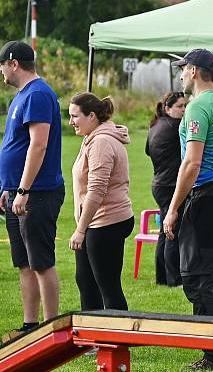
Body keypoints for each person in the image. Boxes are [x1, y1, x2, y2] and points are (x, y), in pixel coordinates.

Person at [163, 48, 213, 371]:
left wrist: (173, 207)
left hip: (206, 196)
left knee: (196, 278)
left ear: (194, 72)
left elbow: (192, 163)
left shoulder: (196, 108)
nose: (180, 74)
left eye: (183, 69)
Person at [0, 41, 64, 333]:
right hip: (18, 192)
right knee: (24, 263)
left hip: (37, 193)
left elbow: (38, 145)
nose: (1, 71)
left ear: (13, 63)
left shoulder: (37, 94)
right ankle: (31, 326)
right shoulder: (22, 95)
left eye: (1, 65)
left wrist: (23, 190)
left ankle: (51, 329)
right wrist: (10, 187)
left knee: (41, 262)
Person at [68, 93, 135, 310]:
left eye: (75, 116)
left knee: (107, 287)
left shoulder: (101, 143)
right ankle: (93, 338)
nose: (70, 122)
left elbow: (96, 190)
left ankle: (117, 340)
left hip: (106, 221)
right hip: (98, 221)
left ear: (92, 116)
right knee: (87, 282)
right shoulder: (94, 138)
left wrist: (80, 229)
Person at [145, 90, 187, 286]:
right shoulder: (176, 126)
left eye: (186, 106)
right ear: (167, 108)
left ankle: (162, 277)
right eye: (180, 106)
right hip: (170, 185)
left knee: (165, 230)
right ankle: (174, 278)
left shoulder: (155, 125)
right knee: (172, 231)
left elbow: (147, 151)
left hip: (159, 183)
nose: (184, 110)